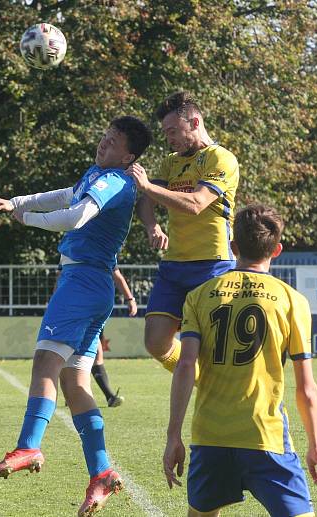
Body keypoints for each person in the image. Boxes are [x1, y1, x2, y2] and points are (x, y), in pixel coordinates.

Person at [0, 115, 152, 517]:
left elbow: (75, 215)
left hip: (81, 283)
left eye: (112, 143)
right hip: (91, 285)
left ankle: (28, 445)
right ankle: (102, 473)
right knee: (75, 381)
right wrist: (20, 203)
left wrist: (26, 219)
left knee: (44, 363)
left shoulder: (115, 181)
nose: (103, 144)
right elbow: (65, 195)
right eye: (104, 137)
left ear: (128, 155)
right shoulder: (100, 174)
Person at [163, 204, 317, 517]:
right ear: (277, 249)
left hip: (210, 436)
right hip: (264, 436)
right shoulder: (292, 300)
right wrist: (316, 447)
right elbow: (306, 387)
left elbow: (186, 366)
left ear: (232, 246)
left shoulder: (199, 295)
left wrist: (174, 435)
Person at [126, 91, 239, 380]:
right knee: (155, 342)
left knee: (222, 351)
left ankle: (270, 411)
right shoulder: (171, 162)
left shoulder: (220, 158)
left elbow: (196, 204)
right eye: (166, 133)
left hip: (213, 265)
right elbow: (145, 205)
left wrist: (149, 187)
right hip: (175, 265)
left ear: (195, 122)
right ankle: (205, 381)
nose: (169, 138)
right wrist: (152, 225)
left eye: (174, 131)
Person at [93, 267, 136, 408]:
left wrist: (130, 298)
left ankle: (73, 392)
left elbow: (117, 274)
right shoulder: (72, 249)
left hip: (97, 309)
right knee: (92, 352)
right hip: (82, 307)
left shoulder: (104, 250)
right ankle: (109, 396)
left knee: (88, 353)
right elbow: (61, 275)